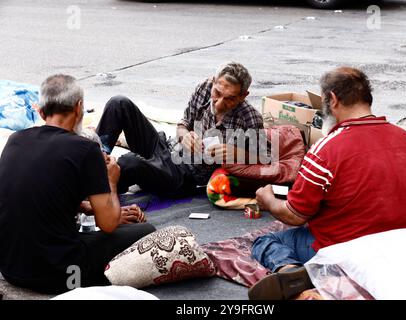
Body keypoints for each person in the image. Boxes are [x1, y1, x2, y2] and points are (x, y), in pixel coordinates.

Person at [248, 67, 406, 300]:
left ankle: (292, 271)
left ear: (332, 100)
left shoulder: (328, 149)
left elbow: (295, 215)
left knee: (266, 241)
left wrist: (269, 201)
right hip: (399, 250)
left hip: (344, 253)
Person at [0, 74, 156, 294]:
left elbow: (39, 194)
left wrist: (86, 207)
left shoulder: (15, 140)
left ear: (42, 111)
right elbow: (108, 225)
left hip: (11, 268)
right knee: (146, 231)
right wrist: (112, 181)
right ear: (78, 107)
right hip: (62, 273)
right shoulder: (85, 149)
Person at [96, 61, 265, 197]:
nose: (219, 103)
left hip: (182, 175)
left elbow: (265, 158)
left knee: (129, 163)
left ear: (243, 96)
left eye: (230, 99)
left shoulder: (250, 118)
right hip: (166, 147)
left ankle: (93, 189)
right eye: (217, 93)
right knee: (119, 103)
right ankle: (91, 162)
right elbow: (182, 124)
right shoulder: (204, 88)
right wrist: (184, 135)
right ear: (213, 81)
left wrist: (236, 153)